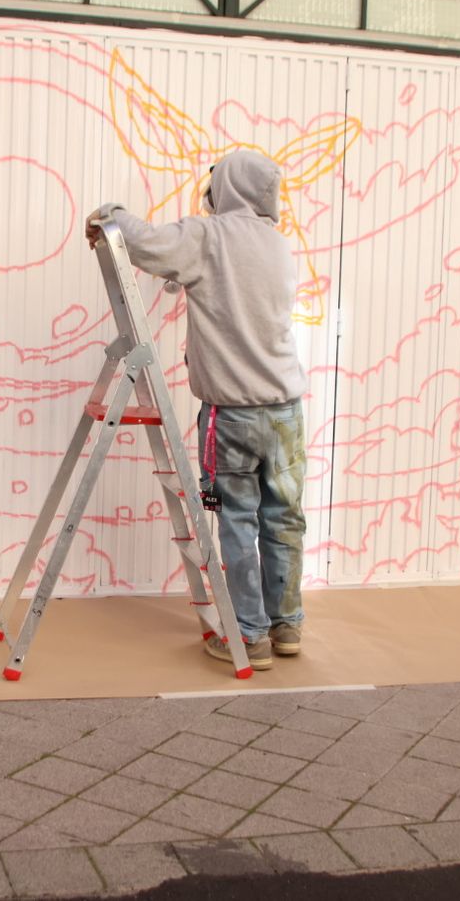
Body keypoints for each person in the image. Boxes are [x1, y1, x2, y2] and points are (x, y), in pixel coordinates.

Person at [86, 150, 308, 671]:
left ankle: (248, 634)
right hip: (287, 412)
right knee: (285, 519)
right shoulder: (279, 246)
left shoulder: (207, 238)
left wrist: (107, 214)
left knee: (235, 518)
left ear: (223, 189)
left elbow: (140, 240)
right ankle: (287, 624)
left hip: (231, 415)